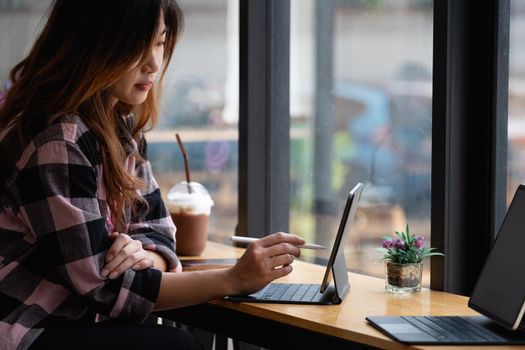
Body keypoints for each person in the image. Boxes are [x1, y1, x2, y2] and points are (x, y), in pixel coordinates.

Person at [0, 1, 305, 349]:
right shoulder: (57, 139)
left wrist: (147, 255)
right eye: (138, 46)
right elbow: (102, 288)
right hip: (28, 327)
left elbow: (157, 228)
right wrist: (234, 279)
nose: (154, 63)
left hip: (73, 320)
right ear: (92, 45)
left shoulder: (120, 128)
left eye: (159, 43)